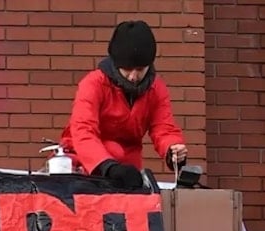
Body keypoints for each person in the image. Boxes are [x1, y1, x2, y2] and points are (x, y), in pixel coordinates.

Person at [59, 20, 188, 189]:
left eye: (140, 69)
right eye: (127, 69)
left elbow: (164, 128)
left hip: (128, 170)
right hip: (84, 165)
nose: (133, 77)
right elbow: (83, 130)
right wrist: (107, 166)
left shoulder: (157, 88)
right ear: (116, 63)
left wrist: (172, 149)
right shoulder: (93, 83)